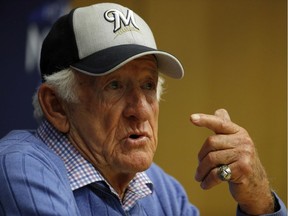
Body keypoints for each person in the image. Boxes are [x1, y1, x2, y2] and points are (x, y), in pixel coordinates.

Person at [0, 2, 286, 216]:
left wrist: (257, 199)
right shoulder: (21, 166)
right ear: (57, 106)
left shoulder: (162, 189)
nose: (139, 109)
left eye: (148, 85)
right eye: (114, 86)